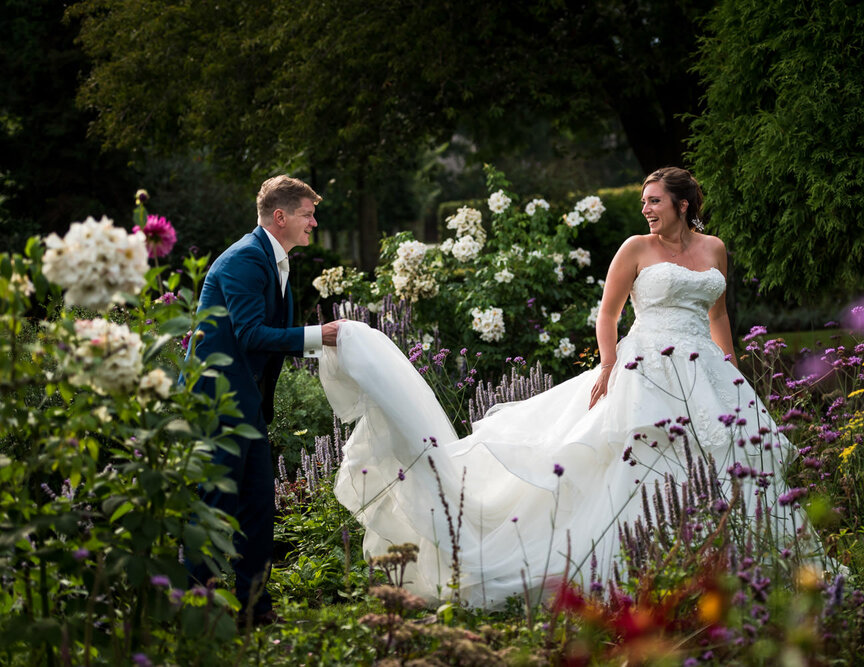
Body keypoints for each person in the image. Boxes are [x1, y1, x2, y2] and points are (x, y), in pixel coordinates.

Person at [318, 167, 818, 609]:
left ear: (682, 205)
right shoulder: (635, 249)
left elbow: (719, 313)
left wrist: (729, 368)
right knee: (641, 458)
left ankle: (744, 562)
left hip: (705, 368)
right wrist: (608, 363)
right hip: (649, 367)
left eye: (654, 201)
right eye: (643, 201)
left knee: (726, 456)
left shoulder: (714, 250)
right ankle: (643, 570)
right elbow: (609, 313)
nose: (646, 209)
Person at [186, 175, 340, 626]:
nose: (314, 222)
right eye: (308, 214)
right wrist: (318, 335)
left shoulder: (275, 259)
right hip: (218, 402)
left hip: (245, 405)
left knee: (257, 506)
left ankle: (253, 606)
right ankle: (201, 611)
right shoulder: (245, 260)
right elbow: (251, 335)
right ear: (281, 217)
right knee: (217, 506)